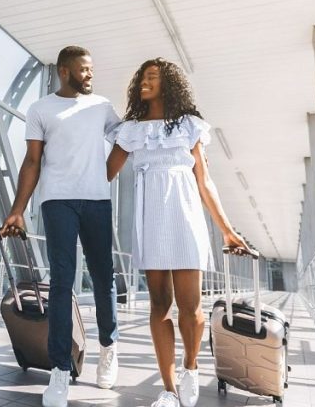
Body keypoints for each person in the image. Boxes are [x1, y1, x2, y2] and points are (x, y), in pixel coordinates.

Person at [106, 58, 249, 407]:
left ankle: (191, 366)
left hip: (184, 217)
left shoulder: (189, 126)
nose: (143, 81)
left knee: (191, 308)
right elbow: (103, 174)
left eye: (151, 77)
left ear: (168, 84)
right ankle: (168, 390)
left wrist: (228, 231)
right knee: (158, 304)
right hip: (150, 218)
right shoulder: (131, 130)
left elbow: (205, 182)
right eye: (141, 76)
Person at [0, 45, 122, 407]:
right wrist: (17, 209)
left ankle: (108, 348)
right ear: (65, 71)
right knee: (62, 281)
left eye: (91, 69)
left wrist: (105, 176)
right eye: (84, 69)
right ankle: (59, 370)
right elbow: (32, 161)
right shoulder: (40, 109)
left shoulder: (101, 106)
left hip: (97, 202)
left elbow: (126, 140)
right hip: (57, 201)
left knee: (103, 276)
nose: (90, 74)